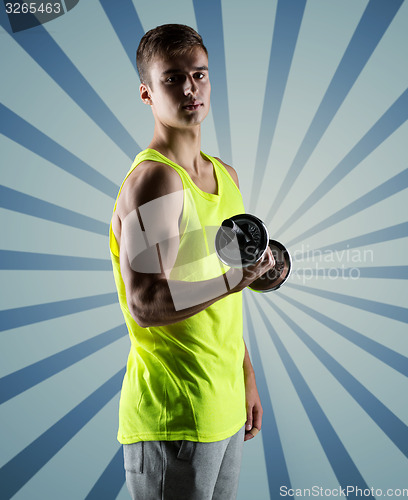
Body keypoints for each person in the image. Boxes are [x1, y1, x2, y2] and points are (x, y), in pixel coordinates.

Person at [109, 24, 275, 500]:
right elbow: (147, 303)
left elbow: (215, 287)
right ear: (146, 92)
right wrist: (235, 279)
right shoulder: (156, 181)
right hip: (172, 416)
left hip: (221, 405)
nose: (189, 88)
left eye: (199, 75)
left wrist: (246, 375)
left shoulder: (225, 175)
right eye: (172, 78)